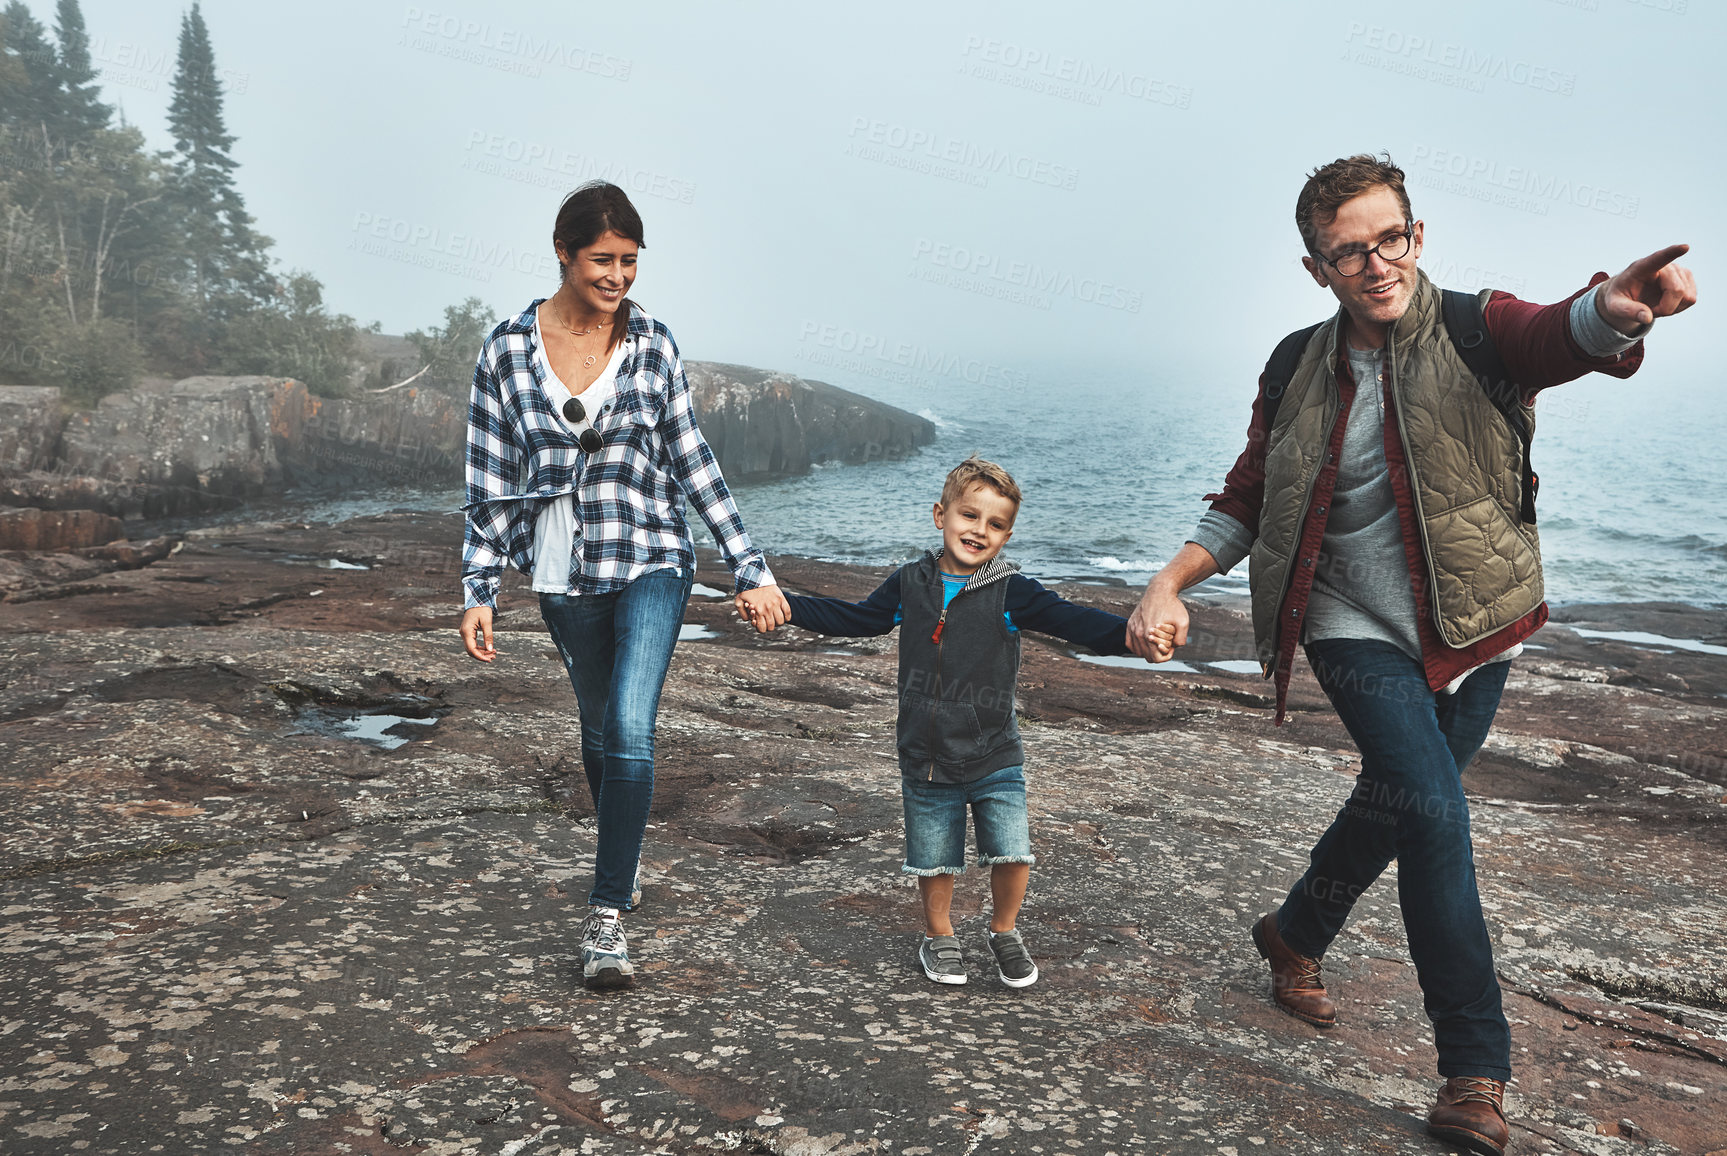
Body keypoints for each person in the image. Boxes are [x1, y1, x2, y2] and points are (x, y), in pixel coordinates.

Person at [1123, 154, 1695, 1155]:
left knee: (1394, 801)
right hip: (1348, 621)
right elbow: (1248, 496)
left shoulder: (1479, 329)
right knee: (1432, 815)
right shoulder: (1292, 365)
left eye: (1389, 238)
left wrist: (1616, 308)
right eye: (1348, 251)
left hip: (1476, 625)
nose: (1374, 262)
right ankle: (1473, 1069)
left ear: (1416, 237)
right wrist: (1167, 582)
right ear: (1317, 269)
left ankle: (1294, 931)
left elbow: (1559, 333)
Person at [458, 180, 791, 991]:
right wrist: (479, 586)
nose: (617, 277)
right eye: (602, 260)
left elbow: (691, 456)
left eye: (630, 262)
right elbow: (491, 477)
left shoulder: (653, 344)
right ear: (563, 253)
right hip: (562, 571)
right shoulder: (505, 350)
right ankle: (623, 854)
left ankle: (606, 915)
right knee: (598, 729)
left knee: (632, 727)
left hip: (652, 557)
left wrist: (748, 566)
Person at [745, 457, 1174, 988]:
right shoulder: (910, 584)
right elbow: (855, 619)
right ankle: (940, 936)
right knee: (935, 859)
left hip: (994, 751)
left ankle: (1004, 931)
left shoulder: (1013, 591)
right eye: (969, 515)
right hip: (925, 753)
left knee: (1013, 851)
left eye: (995, 525)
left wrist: (1136, 636)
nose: (979, 530)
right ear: (939, 515)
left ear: (1007, 535)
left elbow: (1077, 623)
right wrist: (785, 605)